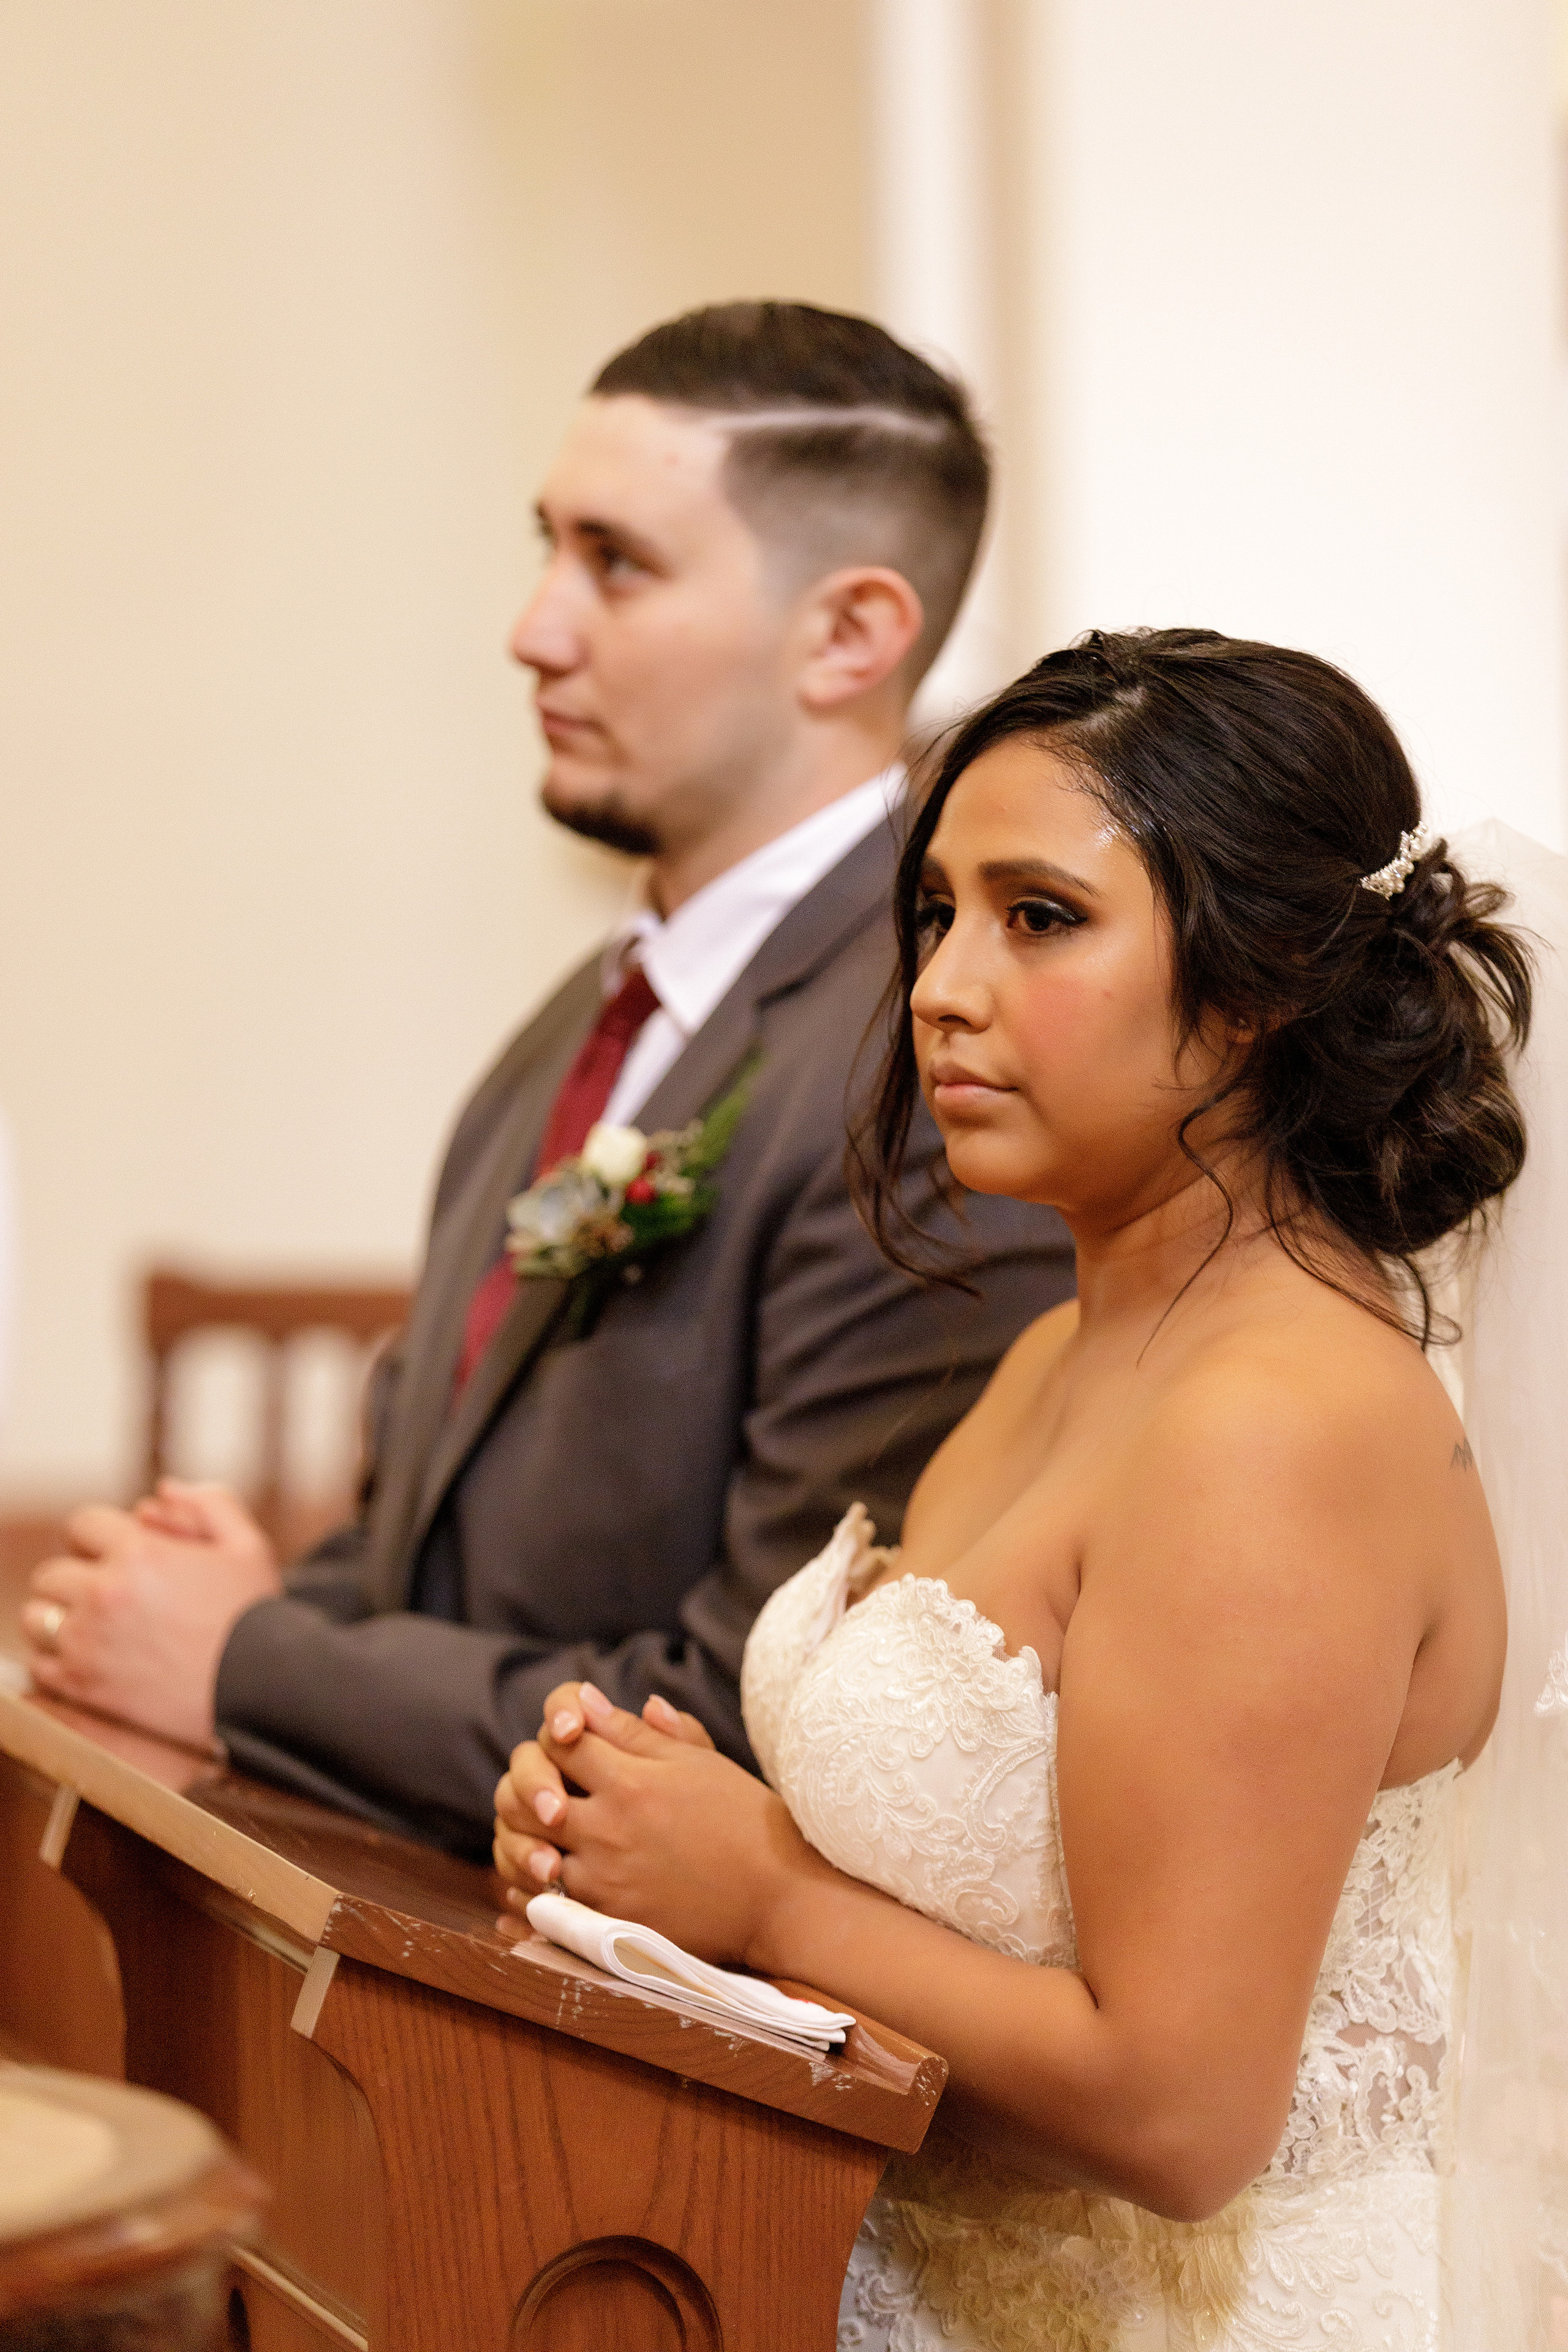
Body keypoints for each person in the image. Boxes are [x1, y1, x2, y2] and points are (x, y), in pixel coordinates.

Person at [493, 628, 1532, 2348]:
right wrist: (636, 1831)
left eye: (1039, 917)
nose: (941, 987)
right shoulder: (1062, 1350)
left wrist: (759, 1894)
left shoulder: (1277, 1424)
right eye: (936, 913)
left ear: (1261, 985)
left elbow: (1181, 2118)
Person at [20, 302, 1074, 1850]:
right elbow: (420, 1539)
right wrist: (215, 1609)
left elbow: (773, 1718)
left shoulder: (926, 1063)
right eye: (548, 549)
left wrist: (248, 1663)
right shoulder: (587, 1023)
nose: (535, 628)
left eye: (617, 563)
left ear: (848, 635)